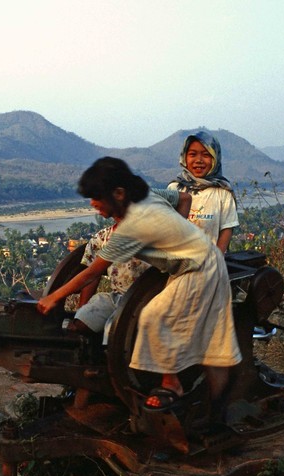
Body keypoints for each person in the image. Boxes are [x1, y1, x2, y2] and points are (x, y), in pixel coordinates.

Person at [37, 157, 240, 407]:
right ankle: (216, 410)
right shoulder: (147, 195)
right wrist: (178, 234)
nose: (93, 204)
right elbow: (184, 199)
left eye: (97, 198)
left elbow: (92, 272)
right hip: (198, 262)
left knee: (154, 316)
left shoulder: (132, 226)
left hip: (199, 269)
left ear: (119, 193)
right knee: (213, 344)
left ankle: (171, 384)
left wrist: (53, 297)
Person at [70, 188, 191, 336]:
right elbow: (91, 276)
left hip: (148, 298)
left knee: (114, 330)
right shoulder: (102, 239)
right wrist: (82, 309)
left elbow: (184, 199)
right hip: (115, 297)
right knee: (83, 322)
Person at [168, 131, 238, 253]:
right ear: (184, 157)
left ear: (215, 159)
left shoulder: (223, 193)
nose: (198, 160)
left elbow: (226, 230)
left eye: (206, 155)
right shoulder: (174, 189)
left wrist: (216, 260)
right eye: (192, 154)